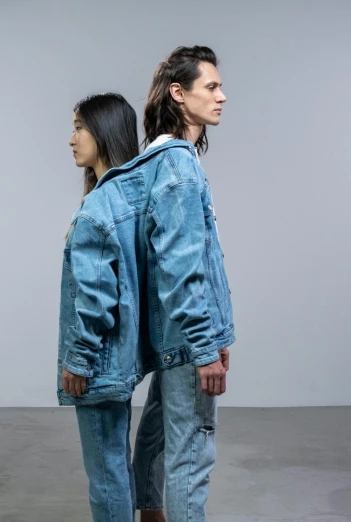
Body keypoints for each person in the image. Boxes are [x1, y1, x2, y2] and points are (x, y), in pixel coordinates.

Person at [133, 45, 234, 522]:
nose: (222, 96)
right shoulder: (178, 169)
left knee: (158, 432)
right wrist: (205, 345)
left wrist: (211, 336)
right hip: (185, 340)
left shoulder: (154, 162)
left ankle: (150, 512)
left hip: (171, 336)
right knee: (191, 453)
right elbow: (181, 268)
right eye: (211, 87)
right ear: (179, 93)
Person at [57, 92, 142, 521]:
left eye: (78, 127)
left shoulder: (97, 209)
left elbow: (95, 298)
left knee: (105, 474)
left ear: (103, 133)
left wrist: (78, 359)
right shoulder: (131, 199)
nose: (71, 138)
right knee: (117, 465)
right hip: (123, 360)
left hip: (98, 364)